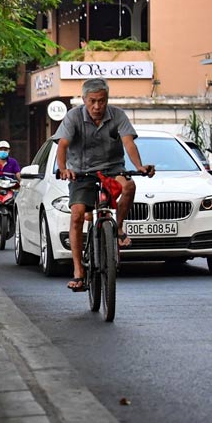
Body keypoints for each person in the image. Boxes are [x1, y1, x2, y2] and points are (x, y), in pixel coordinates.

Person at [53, 78, 154, 292]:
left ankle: (117, 228)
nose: (97, 106)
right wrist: (63, 168)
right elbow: (62, 144)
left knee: (129, 186)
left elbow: (128, 142)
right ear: (84, 100)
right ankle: (79, 271)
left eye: (102, 101)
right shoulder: (73, 117)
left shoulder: (117, 115)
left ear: (107, 99)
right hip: (81, 172)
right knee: (78, 215)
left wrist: (139, 165)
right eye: (92, 101)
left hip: (112, 169)